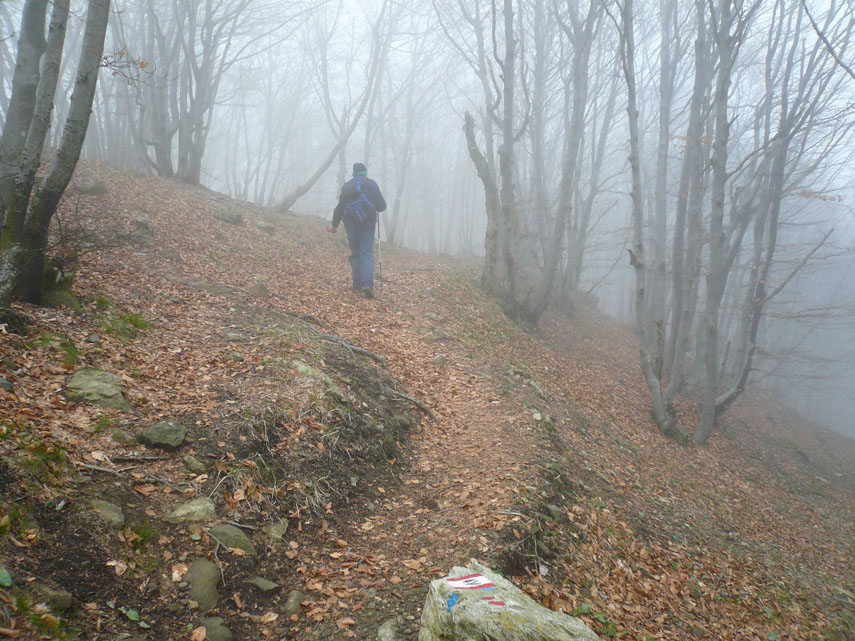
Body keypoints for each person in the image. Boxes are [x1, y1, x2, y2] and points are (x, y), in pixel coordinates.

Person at [326, 162, 387, 298]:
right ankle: (367, 285)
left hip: (350, 222)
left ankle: (357, 285)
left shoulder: (347, 186)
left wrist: (334, 226)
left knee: (355, 252)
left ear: (354, 173)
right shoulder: (371, 184)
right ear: (365, 172)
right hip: (368, 222)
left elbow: (340, 207)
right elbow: (382, 206)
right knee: (366, 252)